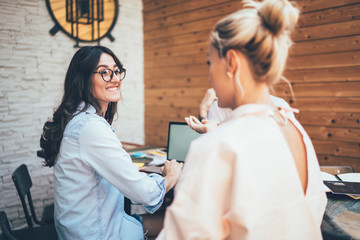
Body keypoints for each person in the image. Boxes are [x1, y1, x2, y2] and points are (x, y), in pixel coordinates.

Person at [158, 0, 327, 239]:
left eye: (210, 62)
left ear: (231, 62)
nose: (209, 75)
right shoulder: (294, 128)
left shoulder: (217, 147)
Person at [40, 46, 183, 240]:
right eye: (104, 72)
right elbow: (145, 194)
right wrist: (171, 177)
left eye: (116, 71)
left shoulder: (79, 119)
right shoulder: (90, 127)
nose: (115, 78)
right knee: (180, 223)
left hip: (90, 225)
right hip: (97, 233)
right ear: (83, 79)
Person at [186, 88, 296, 133]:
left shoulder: (279, 106)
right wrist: (203, 111)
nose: (210, 78)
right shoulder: (216, 107)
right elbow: (207, 146)